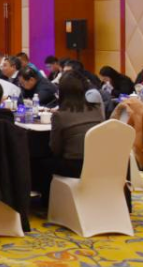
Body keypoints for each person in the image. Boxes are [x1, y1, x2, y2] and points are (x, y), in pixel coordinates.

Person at [36, 71, 105, 204]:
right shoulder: (96, 109)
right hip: (98, 163)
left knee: (39, 162)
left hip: (75, 166)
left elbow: (55, 149)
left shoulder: (60, 115)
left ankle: (47, 203)